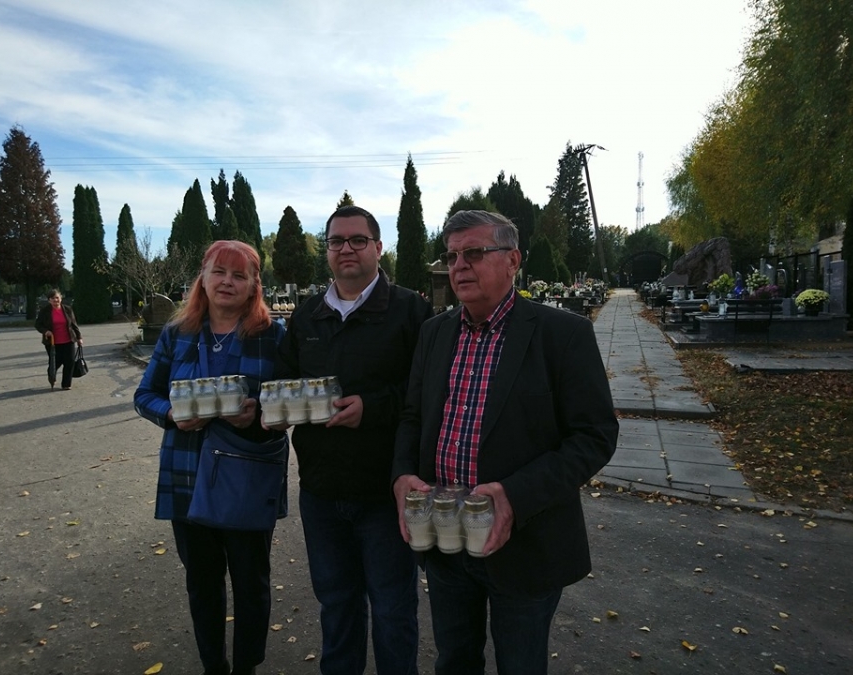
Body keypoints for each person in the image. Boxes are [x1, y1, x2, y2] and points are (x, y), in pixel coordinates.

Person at [392, 210, 619, 675]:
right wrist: (402, 475)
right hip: (446, 537)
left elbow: (595, 436)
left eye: (474, 253)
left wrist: (514, 496)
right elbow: (413, 416)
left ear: (513, 260)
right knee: (454, 661)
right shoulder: (435, 333)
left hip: (526, 544)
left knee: (520, 664)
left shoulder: (563, 334)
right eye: (452, 256)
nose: (459, 265)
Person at [272, 205, 433, 675]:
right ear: (326, 250)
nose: (346, 249)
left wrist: (371, 407)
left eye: (357, 240)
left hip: (385, 490)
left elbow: (427, 392)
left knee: (392, 609)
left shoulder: (410, 311)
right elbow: (285, 381)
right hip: (321, 490)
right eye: (336, 241)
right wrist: (276, 411)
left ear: (378, 248)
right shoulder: (307, 316)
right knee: (337, 605)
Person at [134, 240, 285, 675]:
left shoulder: (272, 336)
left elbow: (291, 402)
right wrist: (171, 415)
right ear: (203, 277)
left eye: (239, 275)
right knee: (202, 583)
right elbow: (145, 395)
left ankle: (246, 667)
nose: (227, 282)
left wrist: (258, 416)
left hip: (246, 476)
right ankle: (213, 666)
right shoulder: (177, 333)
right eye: (219, 271)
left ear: (254, 284)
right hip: (187, 472)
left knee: (251, 583)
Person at [34, 289, 83, 390]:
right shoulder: (45, 311)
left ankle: (66, 384)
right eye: (52, 298)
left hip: (68, 340)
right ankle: (51, 375)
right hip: (52, 342)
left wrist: (79, 337)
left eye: (57, 298)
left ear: (61, 298)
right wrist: (45, 331)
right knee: (56, 362)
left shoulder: (67, 309)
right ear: (49, 300)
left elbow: (74, 324)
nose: (55, 300)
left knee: (69, 361)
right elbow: (38, 325)